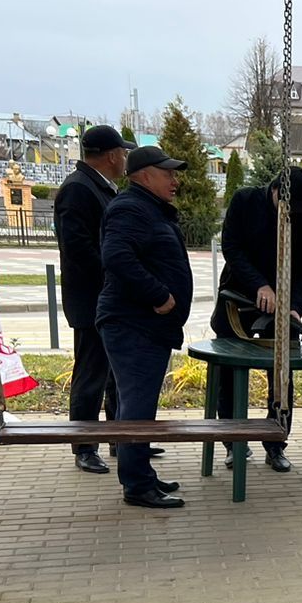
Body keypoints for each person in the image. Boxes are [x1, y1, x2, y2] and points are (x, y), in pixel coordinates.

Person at [95, 145, 192, 510]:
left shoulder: (149, 209)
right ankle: (136, 485)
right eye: (168, 174)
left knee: (139, 403)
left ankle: (142, 475)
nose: (175, 181)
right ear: (145, 175)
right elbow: (116, 256)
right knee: (136, 404)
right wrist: (159, 296)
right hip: (133, 323)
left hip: (146, 326)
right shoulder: (130, 208)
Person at [212, 167, 302, 473]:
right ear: (274, 191)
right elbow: (232, 247)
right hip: (239, 301)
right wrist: (259, 284)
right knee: (230, 376)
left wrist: (295, 307)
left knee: (281, 377)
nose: (292, 214)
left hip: (283, 309)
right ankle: (234, 443)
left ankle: (276, 443)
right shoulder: (245, 201)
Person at [53, 125, 133, 475]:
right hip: (92, 301)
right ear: (112, 155)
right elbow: (78, 248)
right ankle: (85, 445)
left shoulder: (98, 187)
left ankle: (118, 437)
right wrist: (114, 272)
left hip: (108, 298)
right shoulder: (77, 189)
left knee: (115, 373)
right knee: (91, 374)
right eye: (124, 153)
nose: (126, 159)